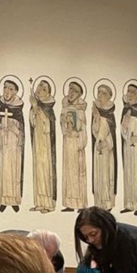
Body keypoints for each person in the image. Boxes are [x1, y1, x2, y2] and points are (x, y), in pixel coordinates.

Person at [0, 78, 24, 213]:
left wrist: (15, 130)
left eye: (11, 89)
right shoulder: (2, 108)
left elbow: (22, 133)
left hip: (14, 147)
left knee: (14, 172)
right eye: (5, 88)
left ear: (16, 92)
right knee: (4, 172)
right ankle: (4, 200)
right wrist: (1, 132)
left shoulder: (18, 109)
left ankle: (14, 201)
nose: (7, 91)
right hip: (4, 145)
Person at [60, 80, 89, 212]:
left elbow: (83, 129)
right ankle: (70, 203)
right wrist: (64, 129)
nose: (71, 93)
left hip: (77, 144)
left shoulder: (80, 110)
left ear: (79, 94)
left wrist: (80, 142)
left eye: (75, 91)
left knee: (78, 174)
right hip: (67, 143)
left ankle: (80, 204)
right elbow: (62, 124)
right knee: (68, 173)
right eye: (70, 89)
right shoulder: (65, 107)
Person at [29, 78, 57, 213]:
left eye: (44, 88)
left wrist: (36, 108)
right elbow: (32, 122)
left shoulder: (48, 107)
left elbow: (48, 126)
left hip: (45, 144)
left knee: (45, 172)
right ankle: (40, 202)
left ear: (48, 94)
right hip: (37, 142)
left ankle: (48, 204)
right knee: (38, 171)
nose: (40, 89)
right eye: (39, 86)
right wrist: (34, 109)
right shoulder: (36, 105)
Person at [120, 82, 137, 215]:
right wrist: (124, 126)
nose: (130, 94)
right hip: (127, 147)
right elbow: (122, 131)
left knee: (136, 175)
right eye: (128, 91)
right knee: (128, 175)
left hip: (136, 149)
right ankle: (129, 204)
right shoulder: (126, 110)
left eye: (133, 92)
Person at [91, 82, 117, 210]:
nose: (100, 95)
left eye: (104, 93)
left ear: (109, 97)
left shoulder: (109, 114)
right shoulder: (96, 112)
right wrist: (96, 119)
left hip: (107, 150)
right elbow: (95, 132)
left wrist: (106, 142)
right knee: (98, 176)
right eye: (99, 92)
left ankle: (107, 204)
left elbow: (110, 132)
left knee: (106, 176)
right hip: (98, 149)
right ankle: (99, 203)